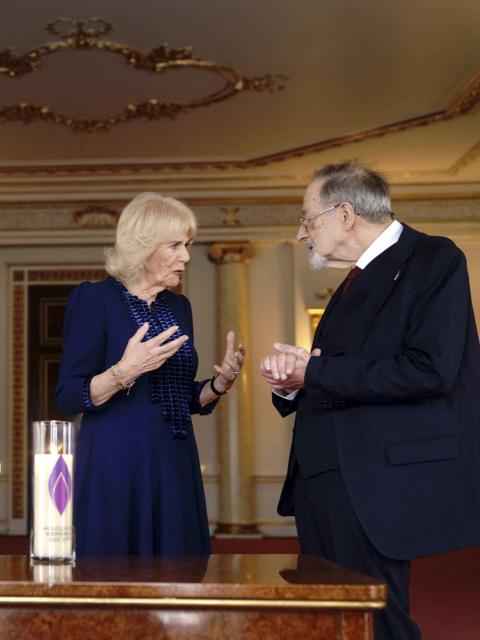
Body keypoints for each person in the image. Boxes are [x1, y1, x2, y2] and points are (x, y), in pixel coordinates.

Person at [258, 162, 480, 639]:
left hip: (373, 484)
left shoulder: (433, 259)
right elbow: (341, 373)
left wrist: (313, 370)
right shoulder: (353, 280)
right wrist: (294, 381)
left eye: (307, 219)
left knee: (377, 624)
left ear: (344, 214)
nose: (301, 234)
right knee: (331, 623)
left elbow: (430, 370)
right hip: (324, 482)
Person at [55, 192, 246, 556]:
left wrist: (219, 385)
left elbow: (177, 397)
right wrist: (125, 371)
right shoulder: (95, 299)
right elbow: (67, 394)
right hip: (118, 465)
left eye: (188, 244)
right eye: (175, 245)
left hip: (176, 463)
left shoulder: (179, 306)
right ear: (142, 246)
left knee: (181, 577)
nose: (186, 256)